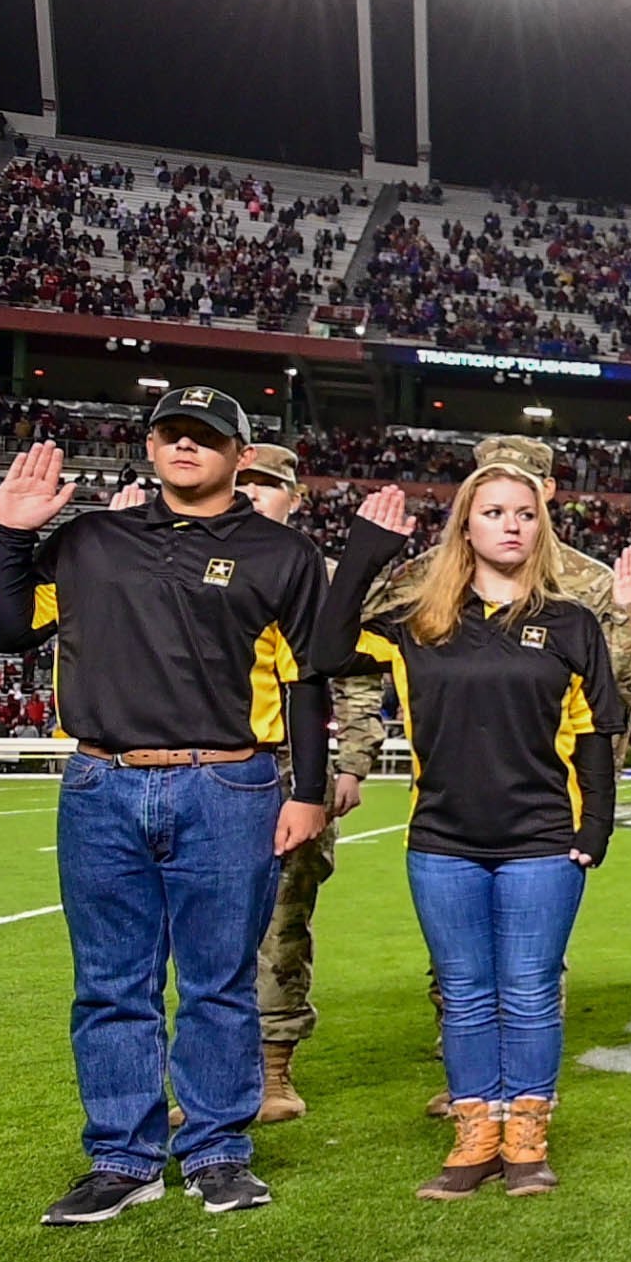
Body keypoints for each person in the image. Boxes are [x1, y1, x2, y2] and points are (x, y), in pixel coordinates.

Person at [0, 386, 330, 1225]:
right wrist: (10, 530)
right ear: (148, 444)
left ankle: (216, 1151)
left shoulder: (280, 553)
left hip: (229, 781)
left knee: (218, 982)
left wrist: (310, 790)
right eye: (172, 432)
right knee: (110, 982)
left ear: (239, 455)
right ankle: (122, 1157)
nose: (186, 446)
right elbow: (7, 627)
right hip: (101, 778)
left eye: (206, 436)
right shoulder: (92, 540)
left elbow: (307, 679)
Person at [316, 473, 626, 1198]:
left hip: (542, 840)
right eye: (493, 513)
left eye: (525, 514)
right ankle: (474, 1131)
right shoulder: (422, 621)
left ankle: (525, 1136)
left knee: (528, 992)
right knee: (463, 993)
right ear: (466, 527)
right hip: (443, 841)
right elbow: (326, 651)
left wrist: (597, 824)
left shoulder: (573, 622)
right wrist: (366, 551)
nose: (511, 525)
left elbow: (596, 729)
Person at [232, 442, 382, 1126]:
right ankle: (211, 1073)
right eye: (243, 480)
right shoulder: (177, 555)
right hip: (205, 765)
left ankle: (272, 1069)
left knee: (283, 922)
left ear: (293, 498)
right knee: (202, 929)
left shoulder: (319, 575)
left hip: (296, 772)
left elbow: (354, 674)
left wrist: (351, 762)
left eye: (267, 484)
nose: (253, 492)